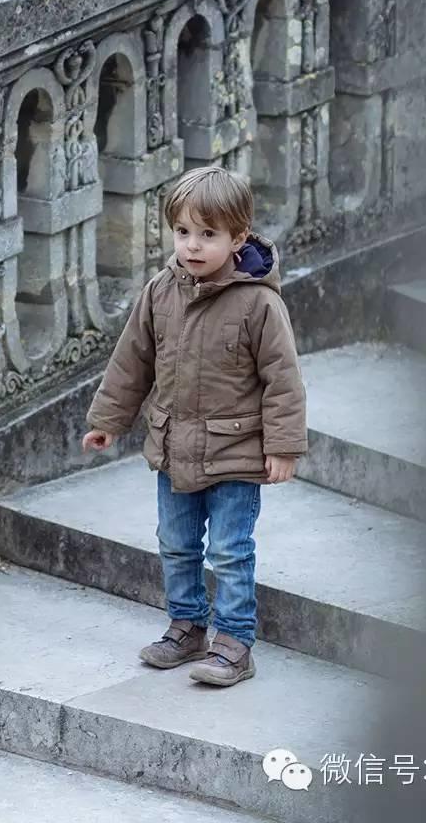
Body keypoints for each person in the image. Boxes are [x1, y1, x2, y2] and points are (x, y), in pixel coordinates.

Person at [81, 165, 307, 687]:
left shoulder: (259, 303)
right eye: (184, 232)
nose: (193, 246)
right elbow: (131, 361)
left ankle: (233, 642)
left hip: (236, 455)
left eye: (209, 234)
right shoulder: (161, 292)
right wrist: (108, 421)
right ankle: (186, 627)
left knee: (230, 550)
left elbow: (283, 380)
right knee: (176, 543)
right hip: (173, 448)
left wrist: (285, 446)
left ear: (238, 238)